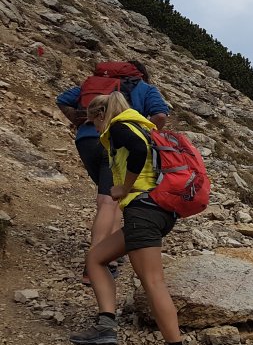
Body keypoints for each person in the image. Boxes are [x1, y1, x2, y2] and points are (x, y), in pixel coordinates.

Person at [69, 91, 189, 345]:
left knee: (152, 281)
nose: (95, 129)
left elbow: (137, 150)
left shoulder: (121, 126)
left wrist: (124, 187)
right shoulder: (141, 124)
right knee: (96, 258)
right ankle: (105, 325)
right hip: (156, 211)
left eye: (94, 123)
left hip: (143, 210)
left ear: (100, 115)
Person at [57, 61, 170, 284]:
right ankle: (95, 263)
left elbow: (62, 100)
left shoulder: (95, 83)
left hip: (86, 140)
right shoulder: (144, 88)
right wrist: (142, 133)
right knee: (109, 201)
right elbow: (161, 116)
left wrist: (81, 121)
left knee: (113, 196)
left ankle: (111, 255)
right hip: (118, 144)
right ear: (142, 75)